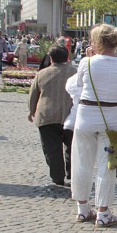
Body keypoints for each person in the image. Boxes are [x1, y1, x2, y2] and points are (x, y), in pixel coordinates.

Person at [70, 24, 117, 227]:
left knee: (81, 162)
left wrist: (89, 59)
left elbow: (78, 85)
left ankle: (82, 209)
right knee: (107, 166)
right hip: (112, 117)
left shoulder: (86, 62)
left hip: (86, 115)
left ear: (96, 42)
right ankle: (103, 212)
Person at [28, 46, 77, 187]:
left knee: (52, 149)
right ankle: (73, 174)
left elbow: (33, 94)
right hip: (71, 115)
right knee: (73, 146)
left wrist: (31, 111)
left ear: (50, 58)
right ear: (67, 57)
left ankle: (57, 176)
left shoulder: (42, 74)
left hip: (47, 116)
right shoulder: (75, 72)